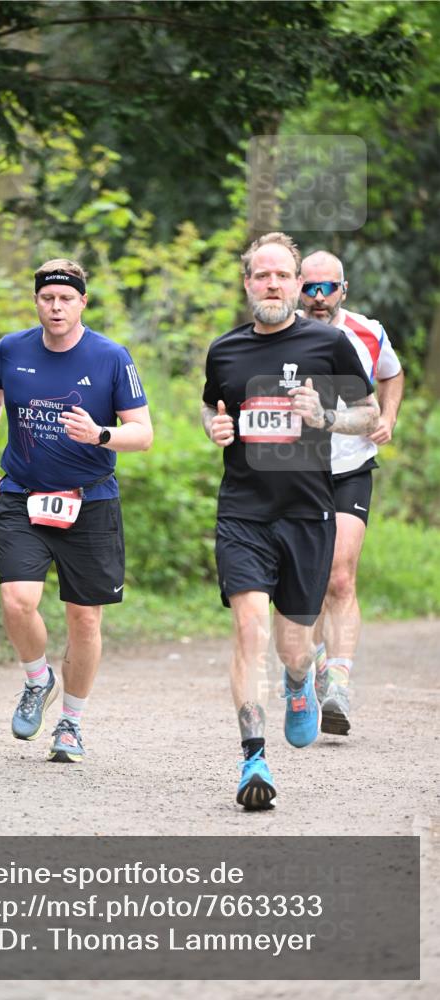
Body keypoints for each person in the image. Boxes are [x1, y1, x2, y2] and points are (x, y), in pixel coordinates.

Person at [201, 232, 379, 810]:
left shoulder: (328, 343)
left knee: (293, 646)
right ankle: (253, 757)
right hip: (243, 513)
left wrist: (325, 416)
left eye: (282, 275)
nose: (272, 284)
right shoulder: (225, 351)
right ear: (247, 283)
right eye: (262, 275)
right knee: (249, 629)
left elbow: (369, 412)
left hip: (306, 513)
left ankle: (300, 680)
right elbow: (211, 405)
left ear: (299, 284)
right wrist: (214, 427)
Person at [0, 258, 152, 763]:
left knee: (84, 620)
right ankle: (37, 679)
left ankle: (70, 723)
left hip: (90, 501)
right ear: (36, 301)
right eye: (47, 298)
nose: (56, 307)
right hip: (21, 494)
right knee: (16, 600)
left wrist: (101, 434)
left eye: (66, 298)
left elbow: (143, 433)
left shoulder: (111, 357)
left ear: (82, 302)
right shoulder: (12, 349)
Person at [299, 251, 404, 735]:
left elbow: (392, 373)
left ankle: (338, 683)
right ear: (298, 288)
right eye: (310, 288)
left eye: (329, 288)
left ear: (344, 289)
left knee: (340, 576)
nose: (319, 297)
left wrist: (389, 417)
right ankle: (317, 663)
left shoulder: (368, 331)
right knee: (305, 580)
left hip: (350, 466)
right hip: (296, 472)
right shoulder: (280, 334)